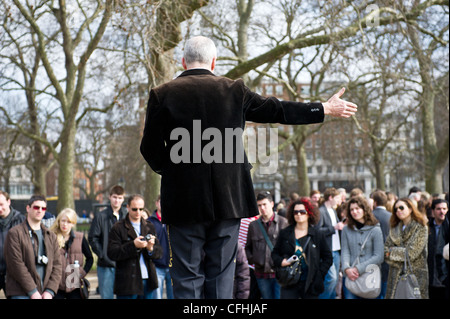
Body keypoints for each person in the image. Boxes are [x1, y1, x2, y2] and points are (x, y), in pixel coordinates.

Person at [139, 35, 357, 298]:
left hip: (184, 201)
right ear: (214, 62)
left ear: (183, 61)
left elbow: (149, 148)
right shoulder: (234, 90)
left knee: (186, 277)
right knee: (221, 277)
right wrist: (322, 108)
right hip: (229, 200)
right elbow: (276, 110)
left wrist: (175, 173)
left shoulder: (162, 95)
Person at [271, 197, 332, 299]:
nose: (298, 214)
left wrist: (319, 274)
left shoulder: (317, 234)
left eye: (302, 212)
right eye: (296, 212)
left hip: (310, 283)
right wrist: (282, 261)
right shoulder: (285, 233)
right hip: (289, 280)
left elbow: (328, 258)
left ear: (309, 213)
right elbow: (275, 253)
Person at [4, 195, 62, 299]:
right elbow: (16, 265)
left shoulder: (50, 236)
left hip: (45, 293)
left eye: (43, 208)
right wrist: (33, 291)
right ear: (28, 208)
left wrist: (50, 290)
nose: (40, 210)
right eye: (36, 207)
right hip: (20, 292)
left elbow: (57, 265)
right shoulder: (15, 233)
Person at [107, 194, 162, 299]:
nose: (138, 212)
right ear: (127, 207)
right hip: (127, 282)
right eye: (134, 209)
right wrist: (133, 245)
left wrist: (151, 248)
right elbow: (112, 253)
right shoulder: (118, 227)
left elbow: (159, 252)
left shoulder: (149, 226)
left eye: (141, 209)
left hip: (148, 280)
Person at [245, 192, 288, 299]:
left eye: (265, 204)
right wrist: (255, 260)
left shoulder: (283, 223)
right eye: (259, 205)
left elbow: (290, 247)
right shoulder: (253, 225)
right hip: (261, 273)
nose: (262, 208)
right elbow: (248, 248)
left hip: (279, 273)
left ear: (272, 204)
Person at [384, 197, 429, 299]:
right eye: (395, 209)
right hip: (395, 274)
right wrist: (394, 255)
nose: (398, 211)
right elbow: (385, 251)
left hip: (414, 275)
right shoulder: (394, 228)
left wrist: (391, 252)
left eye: (401, 207)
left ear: (410, 209)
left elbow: (412, 253)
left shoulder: (421, 227)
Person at [341, 196, 384, 299]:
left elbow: (379, 256)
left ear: (365, 210)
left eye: (357, 208)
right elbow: (345, 251)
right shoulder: (346, 229)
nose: (354, 212)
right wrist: (346, 269)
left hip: (370, 277)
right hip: (351, 277)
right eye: (351, 209)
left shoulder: (375, 229)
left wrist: (358, 269)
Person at [88, 185, 126, 299]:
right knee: (107, 297)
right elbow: (93, 238)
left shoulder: (127, 216)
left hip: (124, 264)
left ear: (123, 199)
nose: (117, 200)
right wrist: (103, 255)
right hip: (106, 265)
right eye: (115, 197)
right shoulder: (101, 216)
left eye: (120, 198)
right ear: (109, 197)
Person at [50, 208, 93, 299]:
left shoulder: (80, 237)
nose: (65, 224)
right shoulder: (52, 237)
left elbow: (90, 258)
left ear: (73, 223)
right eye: (63, 221)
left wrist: (82, 273)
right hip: (56, 283)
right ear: (59, 221)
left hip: (74, 284)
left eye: (69, 222)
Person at [317, 187, 344, 299]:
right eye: (337, 198)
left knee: (336, 279)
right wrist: (334, 228)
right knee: (331, 278)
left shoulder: (333, 210)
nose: (339, 200)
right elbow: (318, 231)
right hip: (328, 250)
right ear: (330, 197)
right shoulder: (321, 211)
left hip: (336, 249)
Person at [147, 195, 173, 299]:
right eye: (161, 202)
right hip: (157, 266)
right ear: (156, 203)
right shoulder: (149, 222)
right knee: (156, 296)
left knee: (174, 296)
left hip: (173, 266)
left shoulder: (174, 221)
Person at [0, 190, 25, 294]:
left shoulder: (21, 221)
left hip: (13, 274)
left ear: (9, 202)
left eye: (1, 204)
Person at [370, 189, 391, 298]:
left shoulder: (370, 215)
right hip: (388, 252)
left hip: (372, 252)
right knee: (385, 281)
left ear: (375, 202)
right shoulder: (391, 216)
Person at [427, 198, 448, 299]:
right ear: (433, 211)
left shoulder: (447, 227)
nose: (442, 212)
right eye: (439, 209)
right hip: (430, 278)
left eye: (444, 209)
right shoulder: (426, 228)